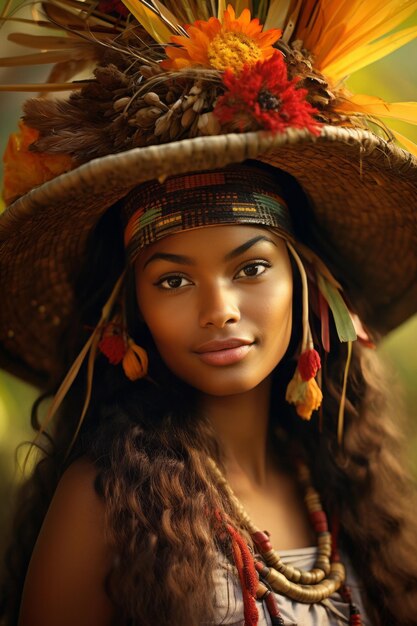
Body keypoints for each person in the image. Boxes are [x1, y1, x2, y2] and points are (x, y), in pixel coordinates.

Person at [0, 2, 417, 626]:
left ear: (308, 281)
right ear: (128, 309)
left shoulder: (350, 487)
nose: (219, 311)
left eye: (250, 269)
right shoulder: (102, 503)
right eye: (172, 280)